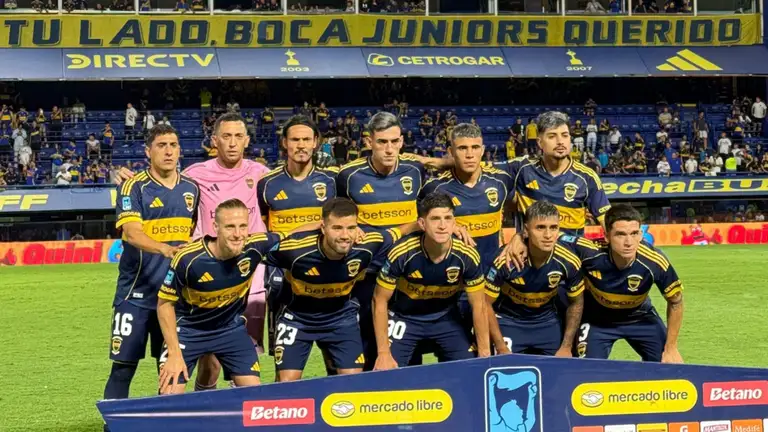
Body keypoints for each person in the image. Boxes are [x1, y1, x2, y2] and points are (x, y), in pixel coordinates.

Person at [115, 112, 270, 391]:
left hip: (247, 277)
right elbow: (162, 182)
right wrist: (125, 176)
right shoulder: (194, 176)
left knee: (242, 355)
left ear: (247, 140)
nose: (232, 142)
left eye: (238, 136)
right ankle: (194, 399)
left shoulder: (262, 174)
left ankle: (229, 404)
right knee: (199, 360)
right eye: (226, 136)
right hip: (193, 278)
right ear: (214, 141)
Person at [336, 111, 459, 370]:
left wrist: (434, 161)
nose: (389, 149)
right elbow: (339, 215)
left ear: (402, 141)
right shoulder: (349, 175)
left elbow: (449, 167)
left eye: (395, 141)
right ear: (369, 142)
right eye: (382, 142)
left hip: (407, 272)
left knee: (408, 346)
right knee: (369, 344)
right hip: (368, 273)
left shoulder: (414, 169)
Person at [103, 124, 199, 406]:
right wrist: (165, 249)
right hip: (135, 295)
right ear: (148, 151)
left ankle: (165, 422)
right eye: (161, 145)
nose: (168, 151)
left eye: (173, 145)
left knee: (169, 367)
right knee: (123, 367)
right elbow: (132, 233)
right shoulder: (133, 187)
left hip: (173, 298)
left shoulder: (192, 189)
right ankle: (113, 425)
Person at [265, 198, 410, 382]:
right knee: (287, 383)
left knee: (353, 383)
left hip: (341, 318)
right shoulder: (294, 249)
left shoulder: (369, 243)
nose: (345, 235)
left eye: (351, 228)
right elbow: (254, 249)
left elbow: (403, 230)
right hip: (297, 319)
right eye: (337, 228)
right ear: (323, 228)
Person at [157, 199, 281, 394]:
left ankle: (204, 401)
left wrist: (323, 223)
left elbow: (293, 235)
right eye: (230, 227)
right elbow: (164, 304)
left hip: (230, 330)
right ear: (216, 227)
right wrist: (174, 353)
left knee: (255, 397)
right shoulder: (188, 259)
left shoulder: (255, 247)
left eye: (243, 226)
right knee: (168, 397)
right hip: (189, 331)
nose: (238, 234)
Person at [256, 115, 339, 376]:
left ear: (316, 142)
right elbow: (265, 228)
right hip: (284, 282)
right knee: (285, 369)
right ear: (284, 143)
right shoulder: (267, 184)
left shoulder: (333, 181)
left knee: (336, 364)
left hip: (328, 279)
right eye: (295, 140)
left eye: (306, 139)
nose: (301, 145)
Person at [372, 192, 491, 369]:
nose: (442, 226)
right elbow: (379, 300)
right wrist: (383, 353)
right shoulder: (402, 253)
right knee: (387, 371)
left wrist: (484, 354)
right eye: (435, 219)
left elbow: (479, 305)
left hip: (446, 318)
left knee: (472, 368)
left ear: (454, 223)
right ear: (422, 224)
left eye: (448, 218)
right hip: (405, 318)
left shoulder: (467, 255)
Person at [562, 204, 684, 363]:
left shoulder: (655, 261)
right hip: (597, 321)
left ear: (641, 234)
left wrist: (671, 347)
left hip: (640, 318)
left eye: (634, 233)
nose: (628, 242)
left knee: (668, 366)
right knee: (587, 369)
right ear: (606, 236)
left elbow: (676, 301)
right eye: (620, 234)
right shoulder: (589, 252)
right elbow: (556, 237)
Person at [485, 201, 584, 356]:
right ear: (526, 230)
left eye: (553, 228)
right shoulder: (505, 261)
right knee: (507, 369)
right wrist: (501, 347)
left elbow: (576, 302)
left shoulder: (569, 262)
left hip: (546, 322)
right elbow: (485, 304)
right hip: (509, 321)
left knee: (561, 368)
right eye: (540, 228)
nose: (548, 235)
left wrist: (566, 346)